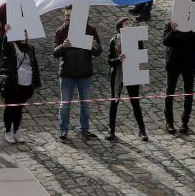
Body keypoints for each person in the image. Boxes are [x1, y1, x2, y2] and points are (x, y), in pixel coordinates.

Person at [53, 7, 101, 140]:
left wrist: (93, 46)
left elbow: (98, 52)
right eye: (65, 15)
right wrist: (63, 46)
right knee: (65, 104)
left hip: (84, 73)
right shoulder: (61, 31)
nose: (67, 17)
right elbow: (55, 52)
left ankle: (84, 129)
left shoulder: (90, 30)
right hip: (67, 73)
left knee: (85, 104)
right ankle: (63, 129)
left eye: (69, 15)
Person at [105, 18, 149, 142]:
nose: (129, 25)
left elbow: (142, 56)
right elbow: (109, 61)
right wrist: (119, 59)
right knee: (114, 103)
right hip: (118, 75)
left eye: (130, 23)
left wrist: (142, 74)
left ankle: (142, 130)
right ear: (120, 27)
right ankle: (111, 130)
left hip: (132, 73)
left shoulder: (137, 39)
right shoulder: (114, 41)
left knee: (135, 103)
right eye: (126, 23)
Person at [0, 20, 39, 144]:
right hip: (13, 84)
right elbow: (3, 47)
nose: (24, 37)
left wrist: (35, 83)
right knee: (10, 108)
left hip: (26, 84)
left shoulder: (30, 48)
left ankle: (16, 130)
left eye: (26, 34)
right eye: (22, 34)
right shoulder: (11, 45)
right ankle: (8, 131)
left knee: (19, 108)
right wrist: (6, 34)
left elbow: (34, 66)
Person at [163, 19, 195, 134]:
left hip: (189, 63)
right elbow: (166, 41)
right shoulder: (171, 22)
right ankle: (169, 122)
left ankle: (185, 121)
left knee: (188, 92)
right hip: (173, 62)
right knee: (169, 92)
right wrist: (173, 30)